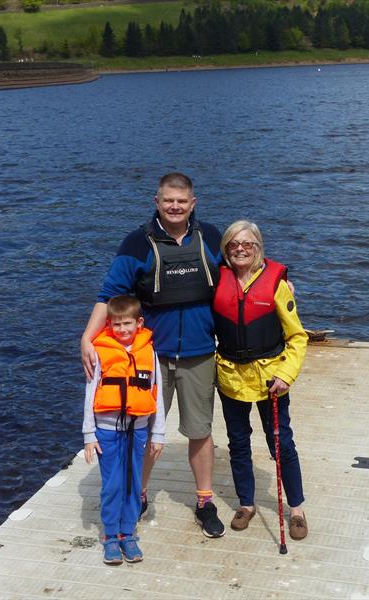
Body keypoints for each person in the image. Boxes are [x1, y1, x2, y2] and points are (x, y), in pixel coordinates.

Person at [81, 173, 226, 538]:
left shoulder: (210, 237)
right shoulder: (136, 243)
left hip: (199, 351)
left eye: (182, 201)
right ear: (157, 202)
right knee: (141, 430)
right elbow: (109, 294)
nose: (175, 206)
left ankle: (205, 501)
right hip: (149, 357)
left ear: (193, 203)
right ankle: (137, 495)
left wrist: (279, 282)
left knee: (201, 430)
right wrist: (87, 337)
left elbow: (244, 270)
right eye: (168, 201)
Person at [212, 220, 309, 540]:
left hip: (271, 380)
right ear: (226, 249)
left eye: (248, 244)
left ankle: (296, 508)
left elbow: (297, 338)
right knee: (238, 443)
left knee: (281, 443)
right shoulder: (216, 280)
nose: (240, 249)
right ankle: (247, 504)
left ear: (258, 248)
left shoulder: (278, 285)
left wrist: (285, 374)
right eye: (234, 244)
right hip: (231, 378)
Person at [82, 295, 166, 564]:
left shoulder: (148, 353)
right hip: (106, 431)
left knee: (133, 483)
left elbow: (157, 393)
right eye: (116, 325)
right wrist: (88, 435)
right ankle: (109, 535)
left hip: (139, 429)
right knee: (113, 484)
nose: (122, 330)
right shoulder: (99, 351)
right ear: (109, 324)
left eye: (127, 324)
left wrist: (158, 434)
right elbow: (90, 393)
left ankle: (127, 534)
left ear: (139, 323)